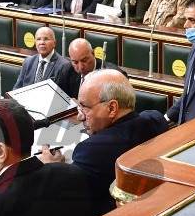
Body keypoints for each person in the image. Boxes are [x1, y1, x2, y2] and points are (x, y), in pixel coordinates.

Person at [39, 70, 168, 191]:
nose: (80, 116)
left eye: (85, 107)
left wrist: (52, 168)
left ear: (112, 108)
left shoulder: (90, 151)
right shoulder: (155, 120)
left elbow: (66, 191)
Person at [18, 27, 80, 96]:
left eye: (46, 39)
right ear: (35, 43)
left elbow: (67, 97)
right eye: (38, 39)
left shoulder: (65, 66)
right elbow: (17, 88)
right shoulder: (28, 62)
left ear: (54, 43)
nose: (42, 42)